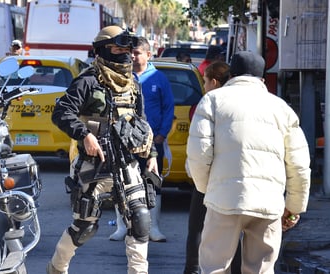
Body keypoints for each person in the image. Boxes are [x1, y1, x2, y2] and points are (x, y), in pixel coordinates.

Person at [186, 51, 311, 273]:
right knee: (261, 269)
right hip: (268, 202)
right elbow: (299, 164)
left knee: (214, 267)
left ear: (231, 74)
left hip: (223, 199)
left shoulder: (213, 100)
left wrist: (208, 189)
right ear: (262, 79)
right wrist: (294, 207)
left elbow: (199, 153)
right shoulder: (281, 108)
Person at [47, 25, 158, 274]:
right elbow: (61, 113)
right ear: (103, 50)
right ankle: (56, 267)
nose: (125, 54)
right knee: (85, 226)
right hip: (93, 165)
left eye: (127, 48)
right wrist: (84, 134)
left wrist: (151, 154)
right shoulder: (87, 81)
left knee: (140, 220)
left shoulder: (132, 83)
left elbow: (141, 120)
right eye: (119, 48)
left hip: (128, 164)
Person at [109, 36, 174, 242]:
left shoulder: (159, 79)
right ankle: (122, 227)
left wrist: (162, 134)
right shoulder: (121, 77)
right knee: (121, 183)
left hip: (152, 144)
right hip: (124, 141)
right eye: (131, 53)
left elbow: (168, 108)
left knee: (152, 182)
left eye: (137, 53)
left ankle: (153, 228)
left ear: (148, 54)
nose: (134, 57)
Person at [184, 60, 243, 274]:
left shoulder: (210, 101)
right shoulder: (244, 102)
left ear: (215, 82)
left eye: (205, 81)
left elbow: (200, 146)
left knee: (198, 229)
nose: (204, 86)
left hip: (210, 179)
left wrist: (200, 183)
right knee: (235, 234)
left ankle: (192, 269)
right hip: (236, 179)